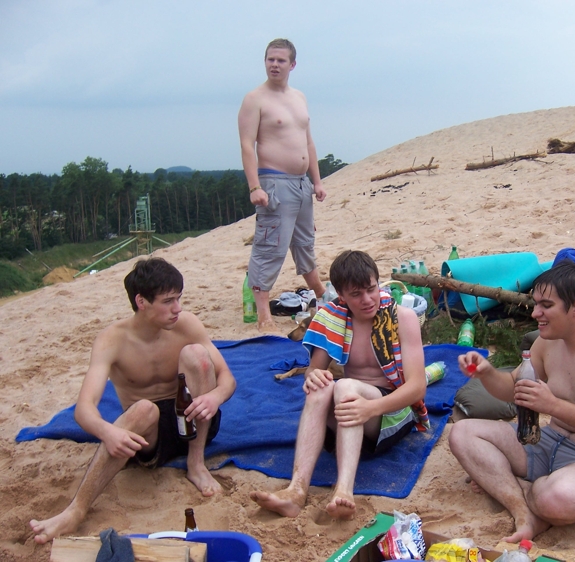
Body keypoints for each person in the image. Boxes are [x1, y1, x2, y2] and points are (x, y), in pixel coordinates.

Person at [29, 257, 236, 544]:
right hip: (148, 435)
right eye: (168, 301)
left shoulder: (186, 324)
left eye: (179, 298)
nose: (177, 308)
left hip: (195, 418)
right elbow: (84, 408)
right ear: (141, 302)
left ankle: (196, 463)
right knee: (143, 409)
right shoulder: (112, 340)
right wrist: (107, 431)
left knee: (198, 356)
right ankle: (76, 510)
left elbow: (227, 378)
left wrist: (214, 396)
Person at [449, 261, 575, 543]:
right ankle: (523, 510)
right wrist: (487, 372)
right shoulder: (549, 340)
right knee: (462, 433)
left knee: (557, 499)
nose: (535, 313)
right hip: (550, 443)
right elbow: (513, 390)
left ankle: (514, 486)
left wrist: (552, 405)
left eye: (546, 305)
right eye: (536, 304)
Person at [249, 250, 429, 520]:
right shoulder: (333, 317)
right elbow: (315, 369)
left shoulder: (402, 318)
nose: (367, 300)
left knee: (345, 387)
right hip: (350, 414)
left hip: (388, 411)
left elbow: (416, 387)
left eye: (371, 289)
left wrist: (371, 408)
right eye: (356, 294)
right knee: (323, 385)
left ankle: (343, 489)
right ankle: (296, 490)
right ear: (341, 296)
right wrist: (312, 376)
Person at [238, 37, 326, 332]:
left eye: (280, 60)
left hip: (302, 184)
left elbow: (308, 142)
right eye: (270, 59)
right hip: (273, 182)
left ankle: (320, 293)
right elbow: (247, 145)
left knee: (304, 242)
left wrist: (317, 181)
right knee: (270, 246)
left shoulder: (299, 97)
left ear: (292, 64)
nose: (274, 65)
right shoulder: (255, 99)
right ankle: (263, 312)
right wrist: (254, 187)